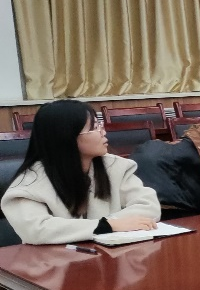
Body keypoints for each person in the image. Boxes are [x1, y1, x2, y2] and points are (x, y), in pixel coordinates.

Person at [2, 100, 160, 244]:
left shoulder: (115, 167)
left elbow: (149, 206)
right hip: (54, 261)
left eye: (100, 125)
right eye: (94, 128)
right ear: (67, 137)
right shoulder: (30, 182)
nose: (103, 132)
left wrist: (111, 224)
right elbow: (37, 230)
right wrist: (107, 225)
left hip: (109, 255)